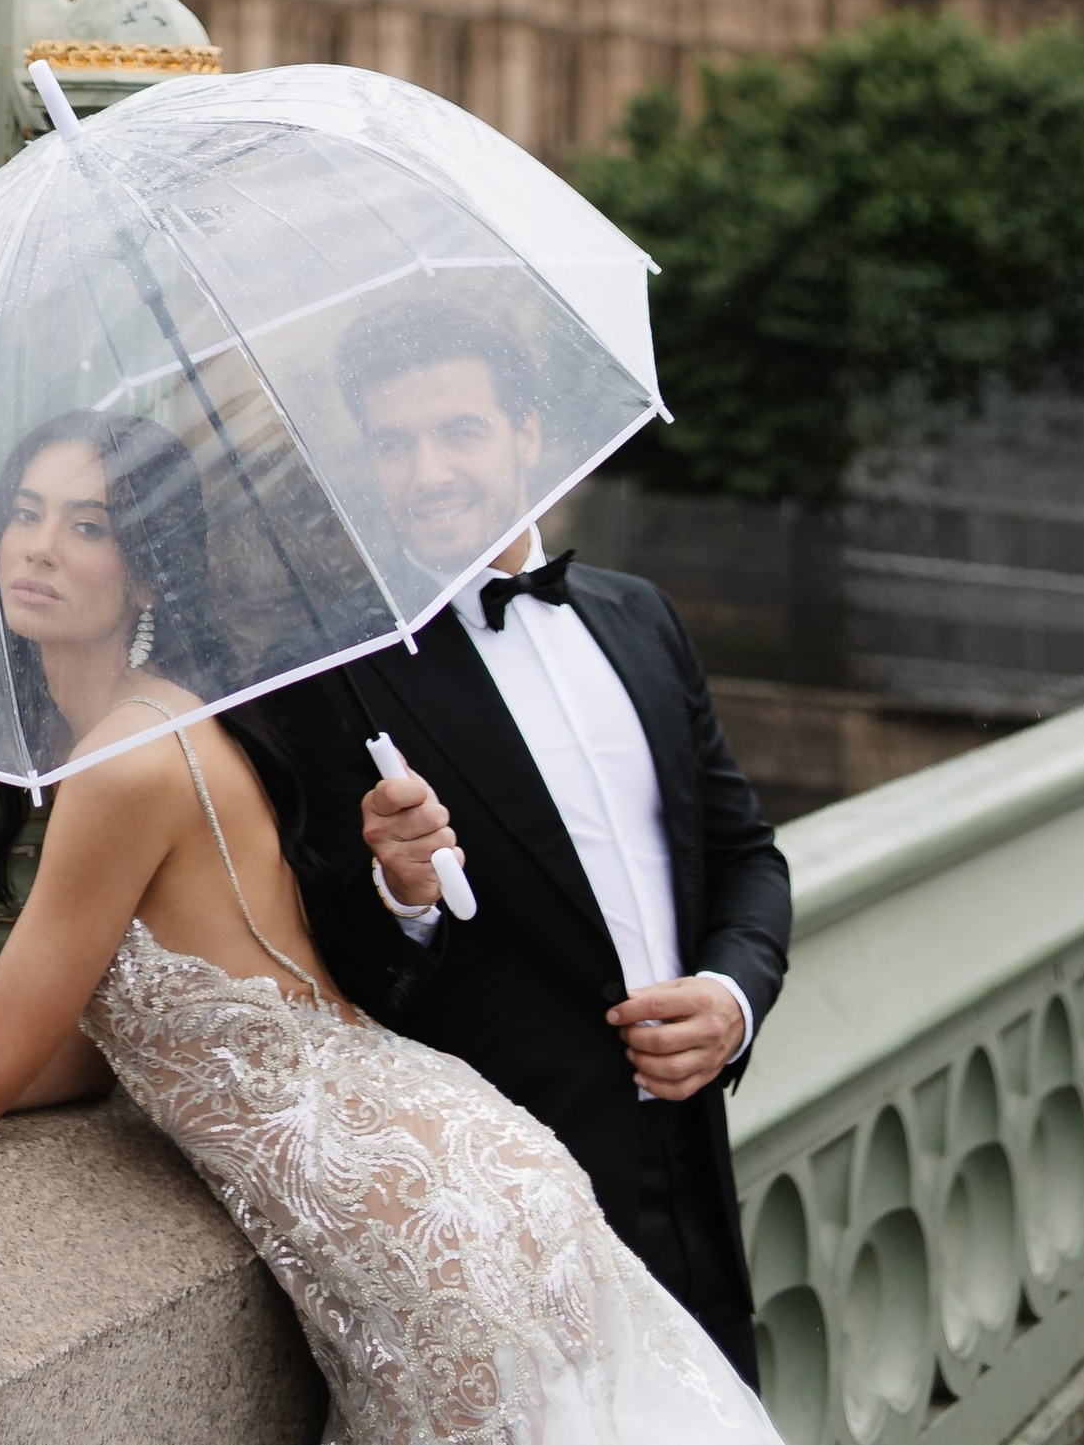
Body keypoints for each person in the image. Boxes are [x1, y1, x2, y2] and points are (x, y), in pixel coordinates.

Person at [0, 407, 776, 1444]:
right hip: (455, 1166)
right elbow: (94, 1036)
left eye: (88, 524)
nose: (37, 543)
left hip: (420, 1217)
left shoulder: (127, 759)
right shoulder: (154, 723)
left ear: (150, 570)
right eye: (26, 512)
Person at [270, 295, 793, 1385]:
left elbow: (745, 854)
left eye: (457, 430)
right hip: (513, 1193)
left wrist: (732, 999)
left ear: (527, 432)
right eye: (393, 442)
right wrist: (399, 887)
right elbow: (340, 975)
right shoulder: (341, 677)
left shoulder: (639, 614)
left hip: (695, 1162)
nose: (426, 470)